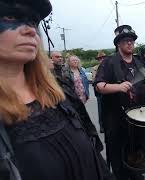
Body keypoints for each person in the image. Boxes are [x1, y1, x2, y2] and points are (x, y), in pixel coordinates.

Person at [0, 1, 113, 180]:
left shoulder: (58, 90)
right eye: (11, 17)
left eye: (34, 22)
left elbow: (93, 155)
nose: (31, 30)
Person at [95, 25, 145, 180]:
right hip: (115, 118)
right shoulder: (109, 62)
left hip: (136, 118)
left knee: (136, 150)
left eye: (132, 41)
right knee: (117, 153)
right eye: (126, 41)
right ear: (118, 44)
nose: (130, 43)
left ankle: (135, 173)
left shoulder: (137, 62)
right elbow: (99, 86)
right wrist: (118, 87)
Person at [93, 51, 108, 133]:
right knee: (100, 109)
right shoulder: (95, 68)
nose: (102, 59)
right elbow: (95, 80)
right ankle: (101, 126)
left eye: (103, 58)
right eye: (100, 58)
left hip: (109, 90)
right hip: (100, 92)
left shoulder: (109, 66)